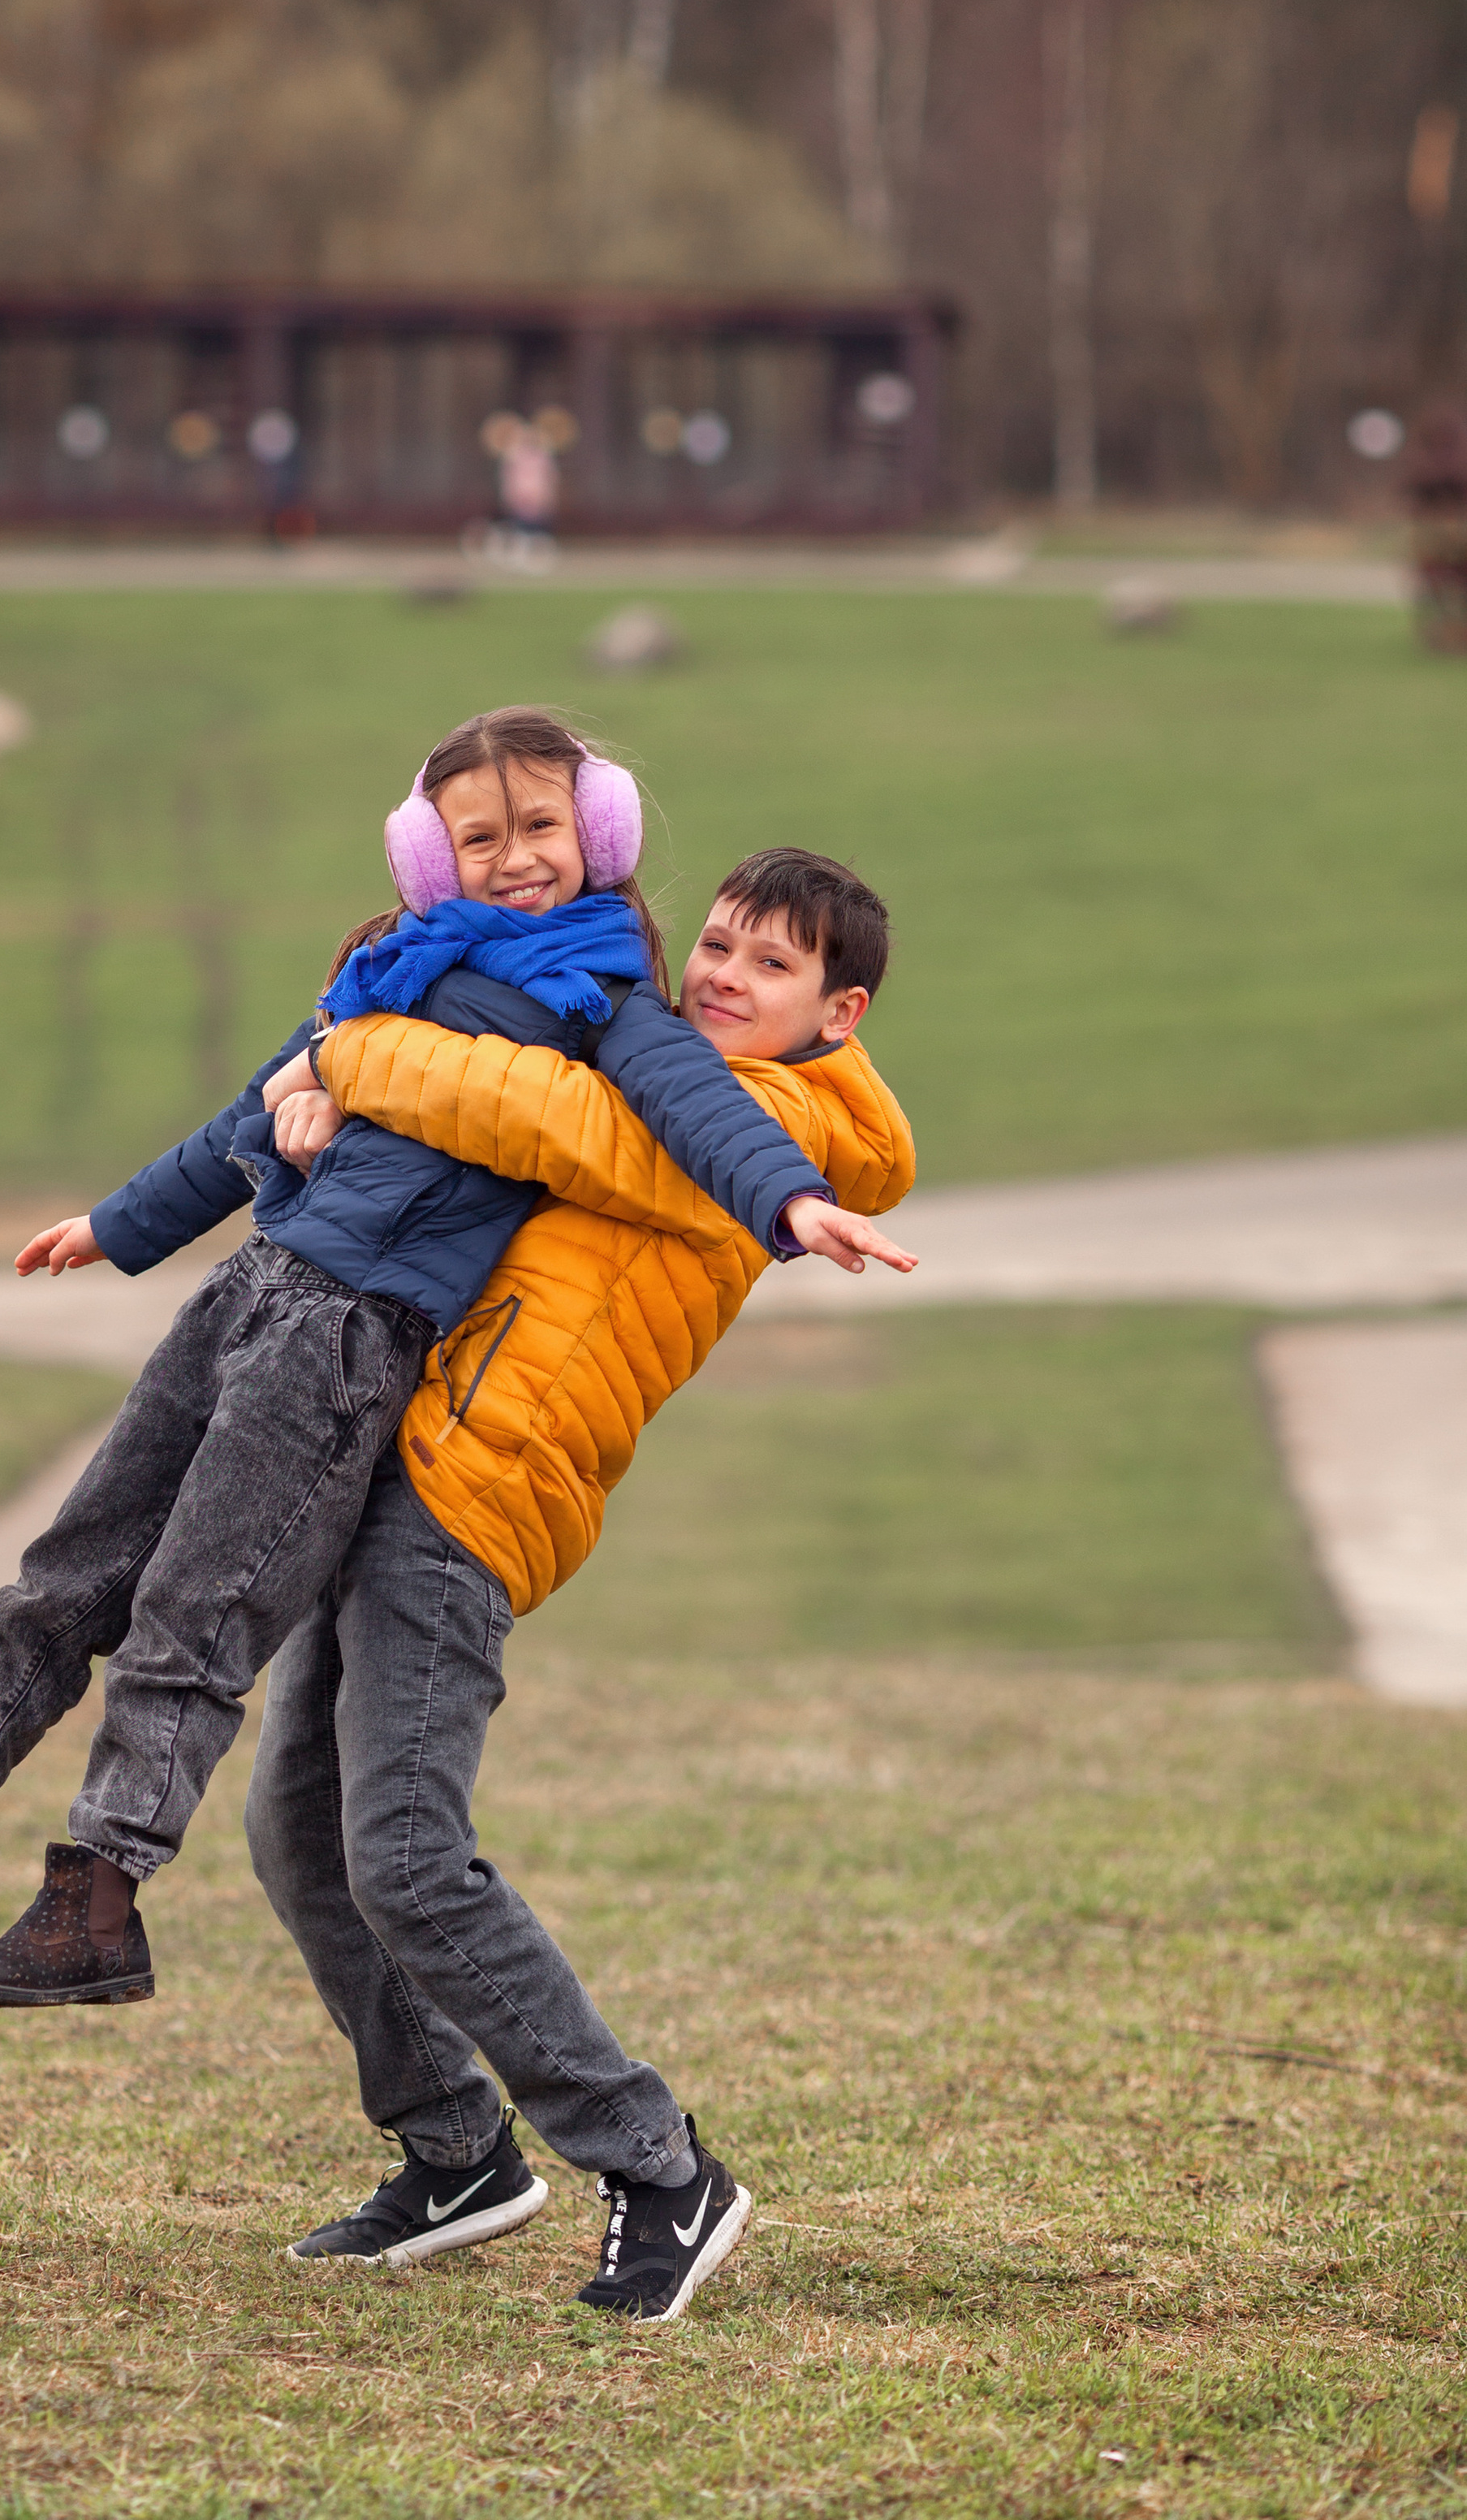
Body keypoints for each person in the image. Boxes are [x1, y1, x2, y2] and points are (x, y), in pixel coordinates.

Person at [0, 714, 891, 2005]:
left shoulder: (604, 1002)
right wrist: (121, 1220)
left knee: (189, 1622)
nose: (514, 859)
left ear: (600, 832)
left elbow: (704, 1112)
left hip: (349, 1342)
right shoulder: (395, 964)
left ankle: (97, 1900)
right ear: (427, 856)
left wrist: (788, 1203)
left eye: (542, 827)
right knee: (65, 1574)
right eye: (477, 837)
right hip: (250, 1292)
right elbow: (257, 1097)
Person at [242, 848, 914, 2323]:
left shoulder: (760, 1120)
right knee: (296, 1833)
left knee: (408, 1855)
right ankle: (459, 2154)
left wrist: (338, 1048)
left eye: (771, 964)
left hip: (480, 1496)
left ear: (838, 1013)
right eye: (719, 943)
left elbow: (531, 1108)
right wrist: (309, 1110)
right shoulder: (678, 1070)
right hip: (402, 1461)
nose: (724, 973)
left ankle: (660, 2166)